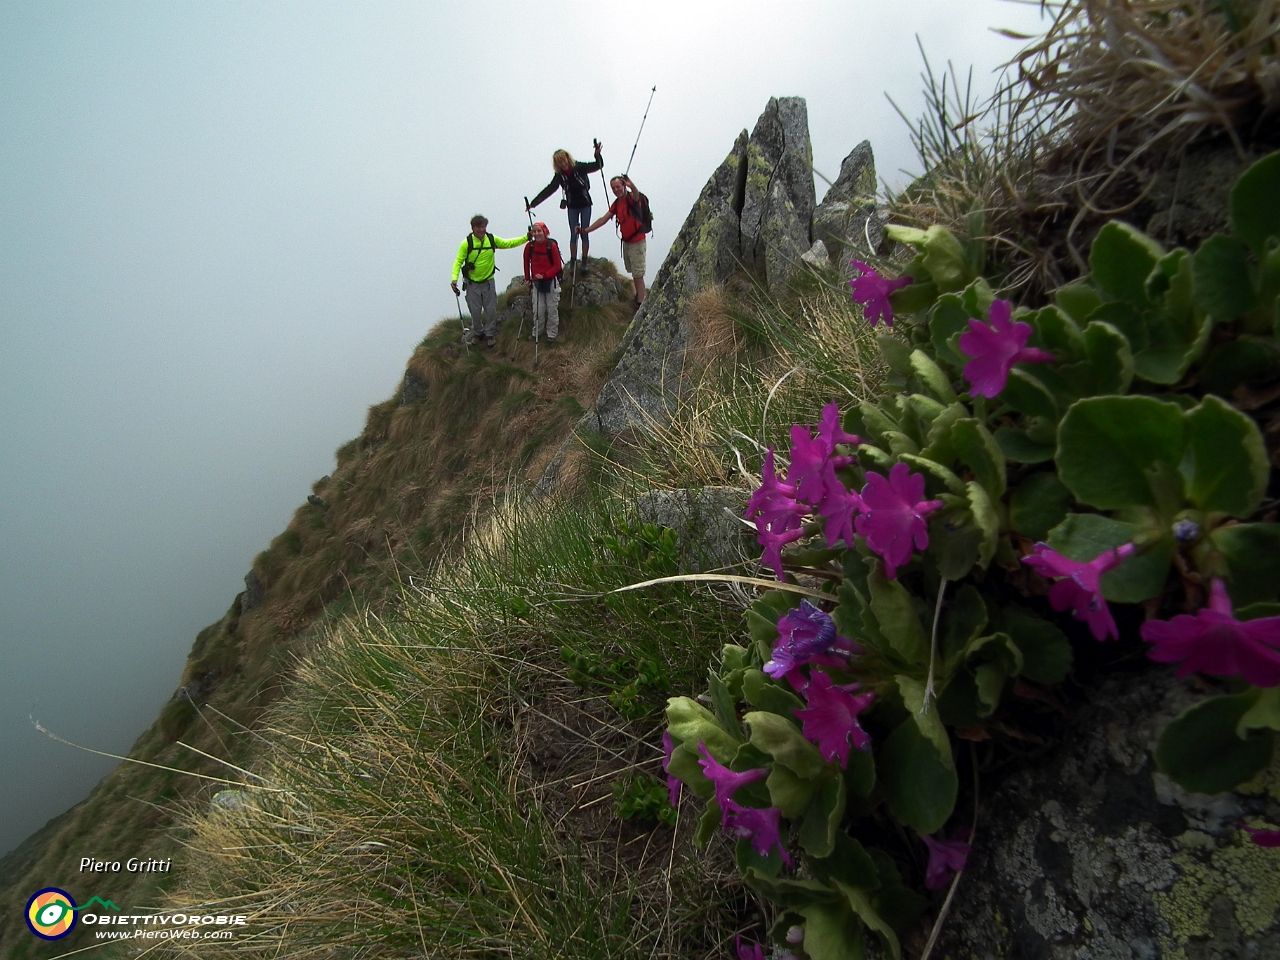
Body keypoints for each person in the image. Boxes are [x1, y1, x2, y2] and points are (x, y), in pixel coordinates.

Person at [450, 215, 526, 347]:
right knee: (475, 311)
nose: (482, 229)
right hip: (472, 284)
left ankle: (490, 334)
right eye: (479, 227)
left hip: (488, 282)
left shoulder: (491, 239)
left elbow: (508, 243)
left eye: (484, 226)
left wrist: (526, 237)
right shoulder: (467, 243)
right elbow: (458, 261)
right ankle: (478, 333)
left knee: (491, 309)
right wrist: (454, 279)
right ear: (473, 228)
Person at [526, 143, 603, 273]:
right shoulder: (559, 176)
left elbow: (598, 166)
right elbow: (549, 190)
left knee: (585, 232)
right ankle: (573, 261)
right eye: (559, 161)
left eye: (563, 159)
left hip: (585, 205)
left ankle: (584, 261)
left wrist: (597, 155)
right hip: (572, 206)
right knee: (573, 234)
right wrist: (533, 203)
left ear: (568, 158)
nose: (562, 163)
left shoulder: (579, 167)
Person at [580, 175, 649, 305]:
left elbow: (636, 194)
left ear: (624, 186)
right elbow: (603, 219)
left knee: (638, 274)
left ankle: (641, 304)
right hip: (627, 242)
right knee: (634, 272)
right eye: (613, 188)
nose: (616, 190)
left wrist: (631, 184)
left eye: (618, 186)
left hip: (637, 242)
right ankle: (638, 297)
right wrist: (585, 230)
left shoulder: (632, 199)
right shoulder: (617, 204)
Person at [523, 221, 564, 342]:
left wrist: (545, 275)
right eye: (534, 231)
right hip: (536, 283)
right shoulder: (529, 247)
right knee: (538, 310)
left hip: (551, 282)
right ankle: (537, 332)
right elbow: (526, 262)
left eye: (539, 231)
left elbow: (557, 266)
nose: (536, 233)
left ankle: (551, 334)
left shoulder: (551, 246)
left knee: (552, 309)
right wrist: (527, 278)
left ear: (545, 231)